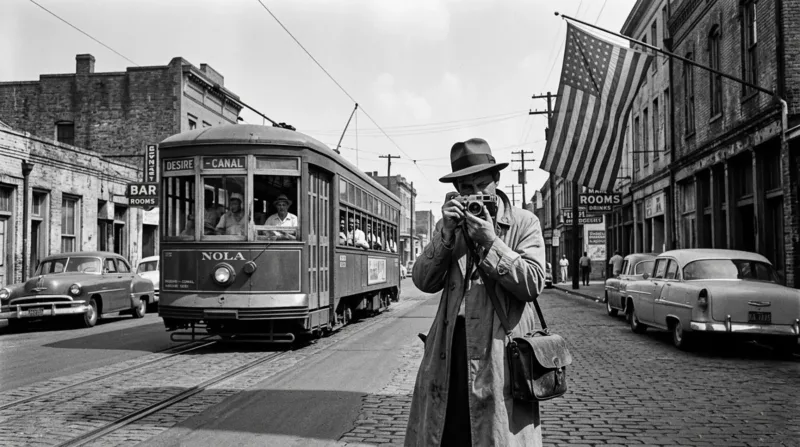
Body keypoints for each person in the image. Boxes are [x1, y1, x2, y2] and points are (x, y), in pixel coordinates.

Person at [406, 138, 546, 447]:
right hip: (450, 350)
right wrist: (444, 234)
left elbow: (534, 282)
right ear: (456, 190)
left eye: (483, 184)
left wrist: (492, 242)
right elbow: (423, 281)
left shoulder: (524, 223)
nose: (476, 195)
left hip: (498, 352)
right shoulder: (452, 227)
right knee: (448, 432)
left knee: (493, 433)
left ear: (497, 180)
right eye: (466, 188)